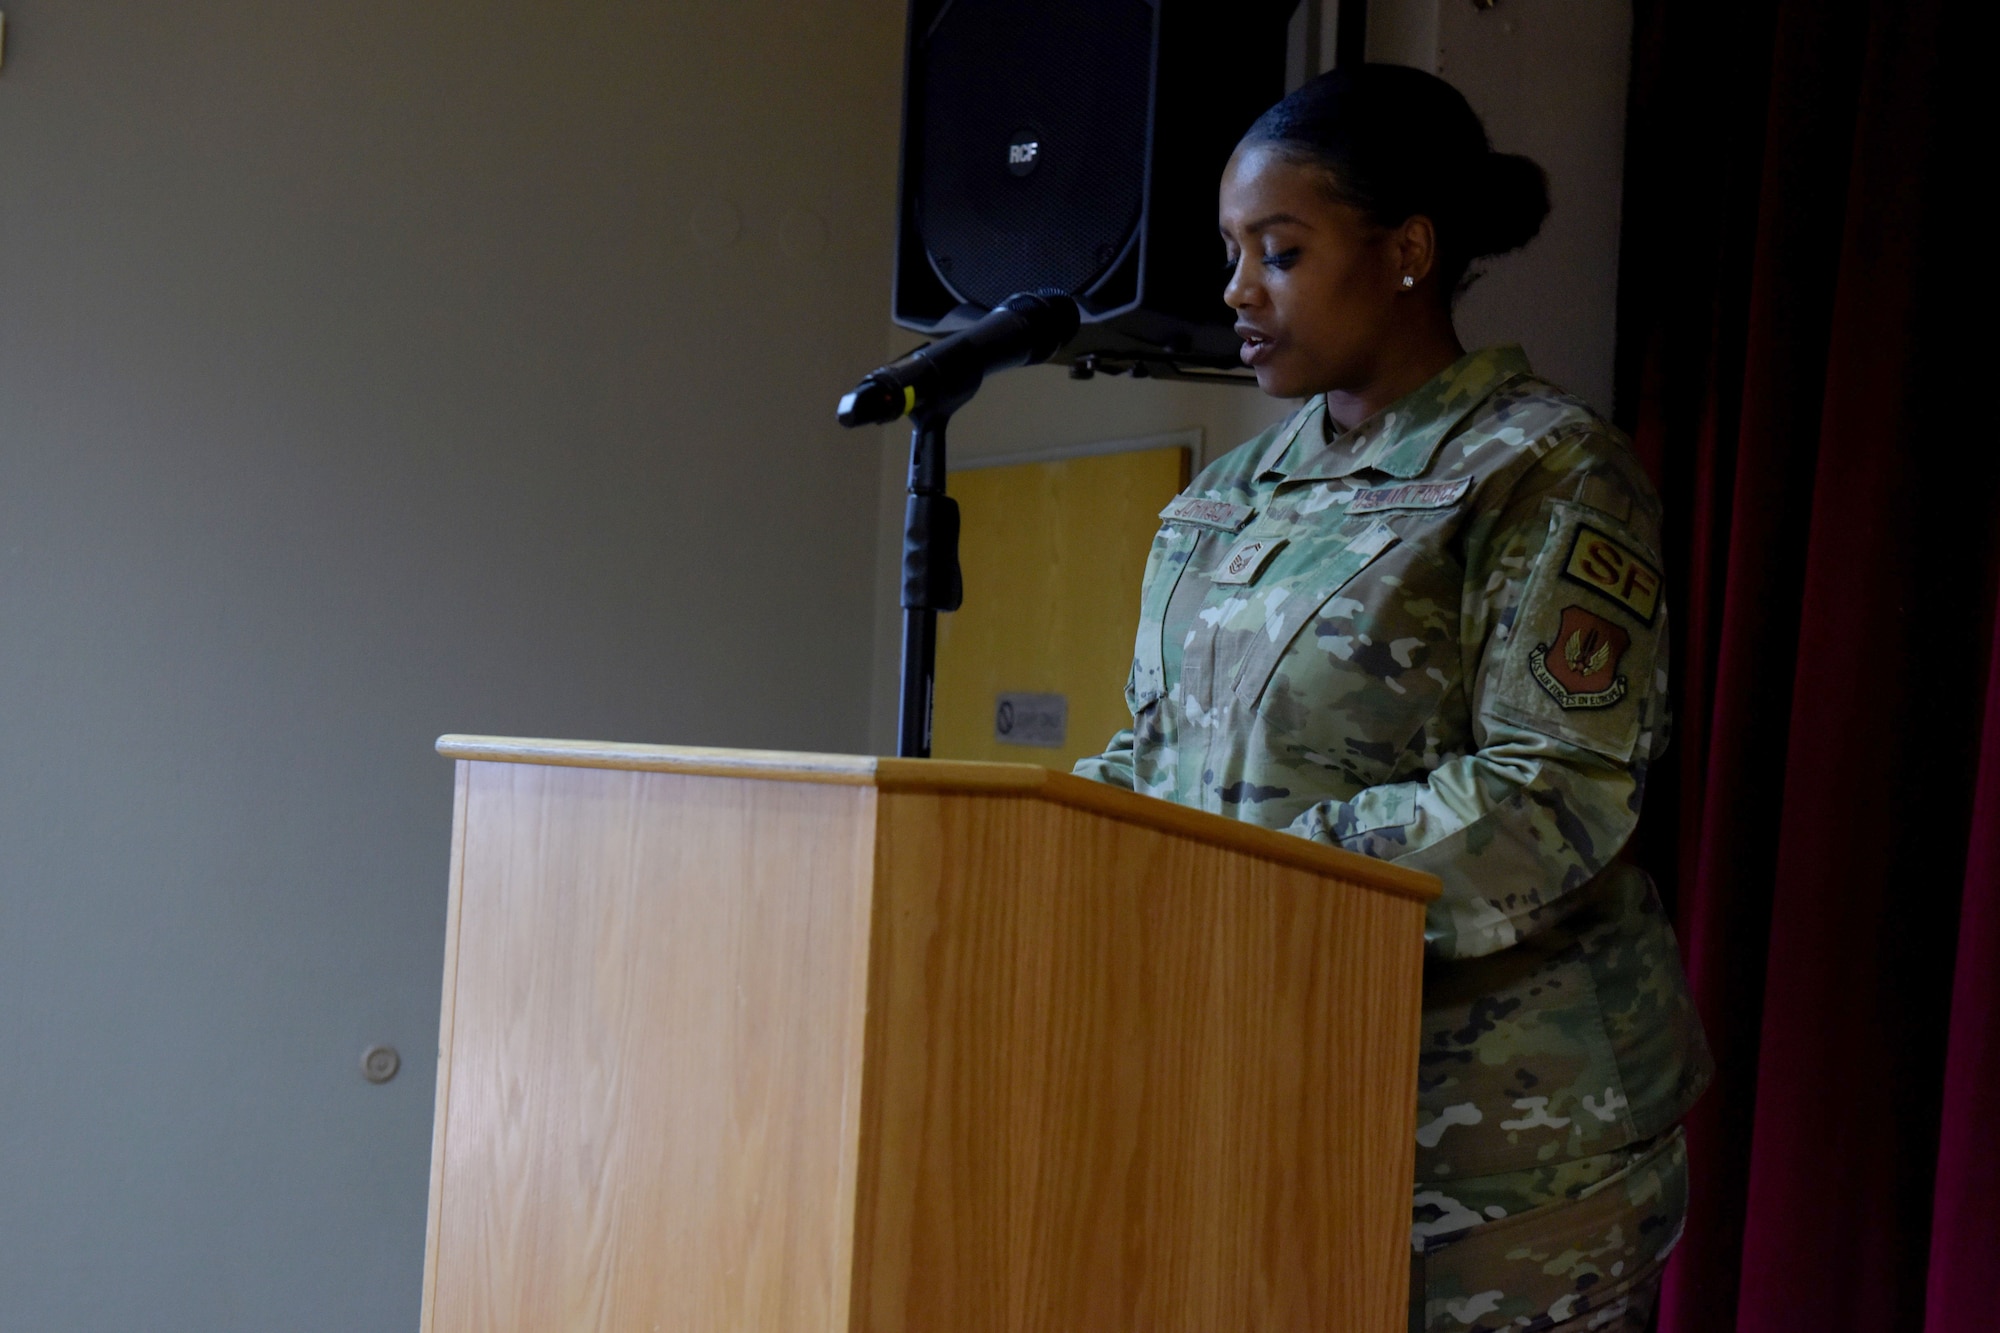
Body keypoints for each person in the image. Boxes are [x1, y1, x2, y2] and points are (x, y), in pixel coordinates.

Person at [1074, 65, 1712, 1333]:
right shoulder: (1227, 496)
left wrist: (1241, 879)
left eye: (1279, 251)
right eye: (1228, 252)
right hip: (1264, 1097)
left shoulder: (1540, 468)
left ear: (1407, 250)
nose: (1235, 292)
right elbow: (1153, 755)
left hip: (1497, 1151)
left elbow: (1553, 795)